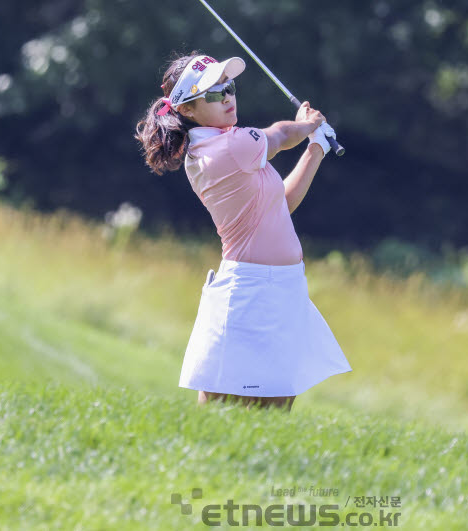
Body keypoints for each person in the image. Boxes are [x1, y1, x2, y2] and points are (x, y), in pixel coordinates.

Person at [134, 52, 352, 411]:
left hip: (284, 286)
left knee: (277, 403)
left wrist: (316, 149)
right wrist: (307, 123)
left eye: (229, 87)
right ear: (187, 109)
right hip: (250, 288)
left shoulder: (227, 145)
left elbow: (280, 205)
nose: (228, 97)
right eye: (215, 94)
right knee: (223, 402)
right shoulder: (231, 147)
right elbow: (281, 135)